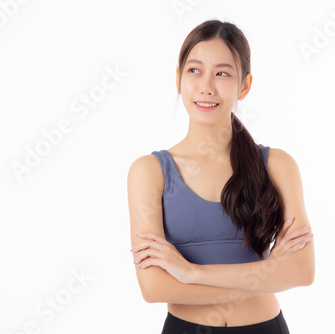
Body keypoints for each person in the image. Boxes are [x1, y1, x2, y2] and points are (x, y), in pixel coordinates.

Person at [128, 19, 315, 334]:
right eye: (195, 70)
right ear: (178, 79)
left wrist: (191, 273)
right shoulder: (149, 172)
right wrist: (267, 272)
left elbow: (302, 271)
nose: (206, 86)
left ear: (245, 85)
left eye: (223, 73)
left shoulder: (277, 165)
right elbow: (154, 288)